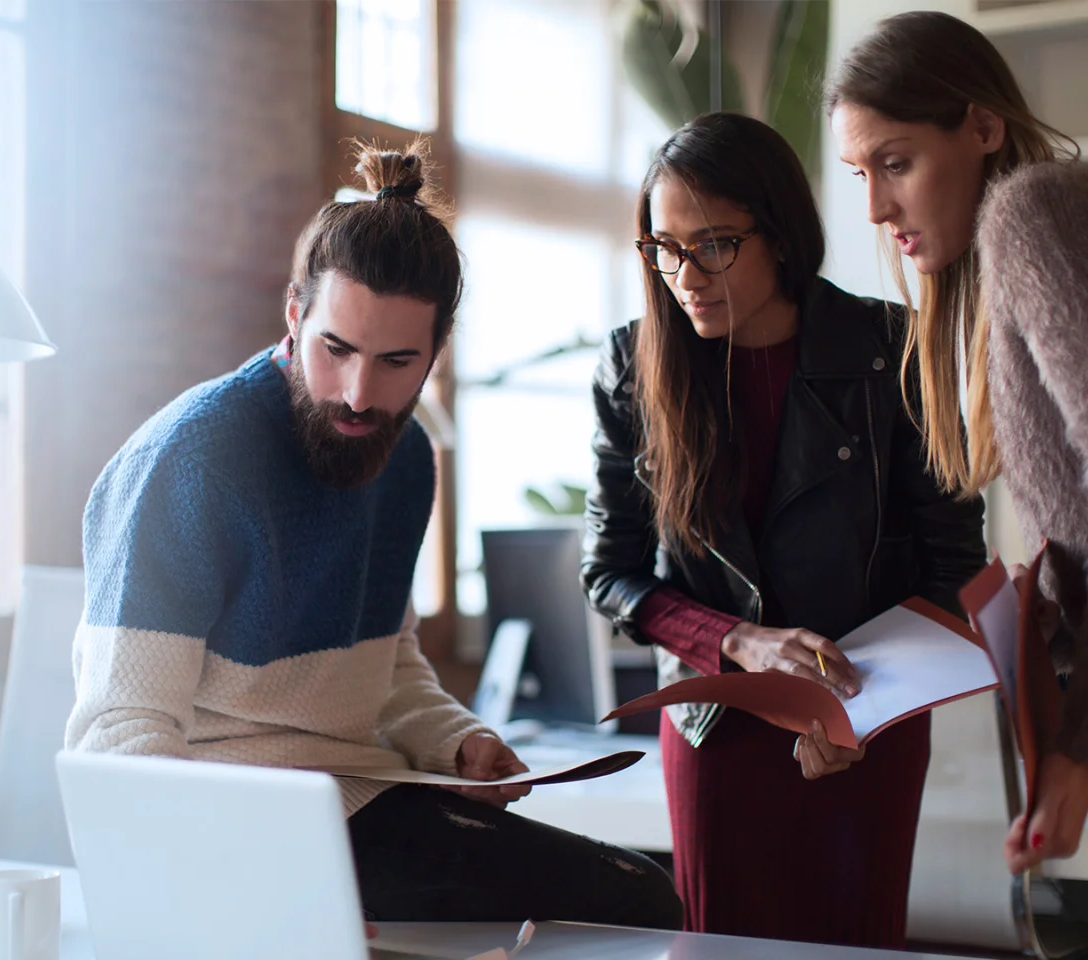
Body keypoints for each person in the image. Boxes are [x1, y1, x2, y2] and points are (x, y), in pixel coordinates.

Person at [65, 140, 681, 930]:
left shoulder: (408, 455)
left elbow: (384, 666)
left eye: (396, 361)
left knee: (634, 896)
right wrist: (244, 892)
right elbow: (120, 739)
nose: (359, 393)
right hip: (238, 827)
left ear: (435, 353)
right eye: (336, 350)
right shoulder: (190, 460)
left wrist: (455, 740)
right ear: (295, 313)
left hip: (362, 800)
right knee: (626, 904)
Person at [828, 12, 1088, 959]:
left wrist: (1082, 751)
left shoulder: (1037, 215)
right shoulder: (1043, 229)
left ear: (982, 127)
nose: (875, 207)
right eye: (858, 174)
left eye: (896, 162)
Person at [580, 111, 986, 948]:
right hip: (717, 733)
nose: (683, 276)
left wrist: (854, 717)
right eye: (663, 248)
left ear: (782, 236)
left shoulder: (893, 350)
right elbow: (611, 573)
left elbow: (955, 569)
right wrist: (737, 643)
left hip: (866, 725)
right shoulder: (631, 365)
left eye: (714, 245)